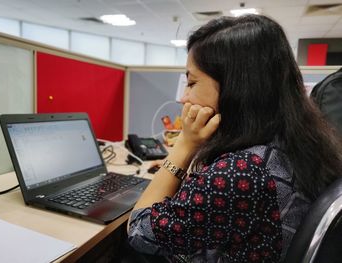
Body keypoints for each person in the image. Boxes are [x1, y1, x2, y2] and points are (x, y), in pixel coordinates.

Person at [125, 14, 342, 262]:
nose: (183, 98)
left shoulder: (242, 171)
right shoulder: (294, 142)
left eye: (192, 82)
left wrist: (184, 145)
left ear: (235, 88)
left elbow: (139, 230)